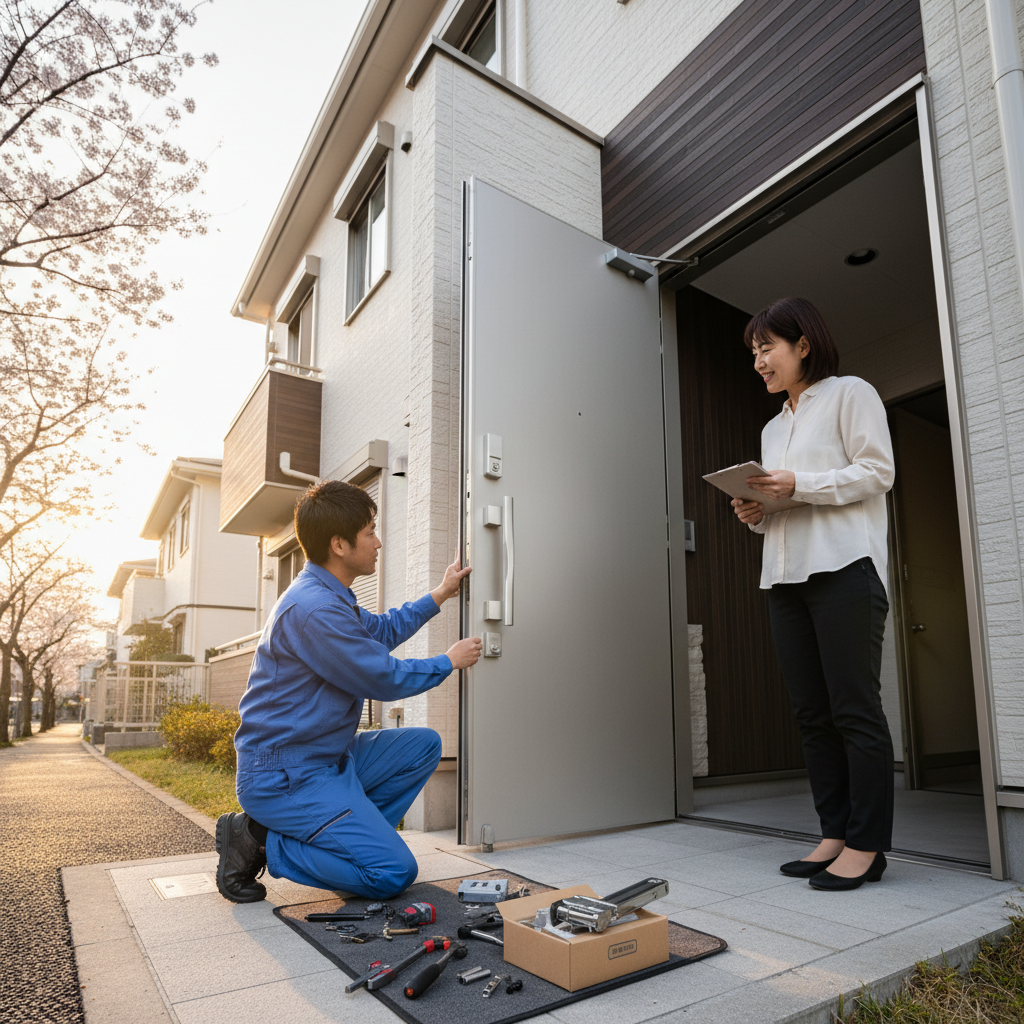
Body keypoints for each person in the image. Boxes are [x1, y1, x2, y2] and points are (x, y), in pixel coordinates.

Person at [214, 479, 482, 903]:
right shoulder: (314, 609)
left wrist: (441, 593)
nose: (378, 542)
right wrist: (448, 661)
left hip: (326, 759)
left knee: (424, 745)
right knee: (393, 872)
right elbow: (381, 677)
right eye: (370, 532)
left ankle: (352, 843)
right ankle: (258, 839)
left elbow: (382, 631)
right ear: (339, 545)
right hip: (286, 777)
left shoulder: (331, 596)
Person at [731, 297, 895, 892]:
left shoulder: (852, 393)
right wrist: (755, 511)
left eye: (766, 347)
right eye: (754, 353)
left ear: (803, 344)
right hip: (784, 576)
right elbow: (784, 503)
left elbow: (878, 472)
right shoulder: (775, 426)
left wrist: (800, 483)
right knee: (812, 714)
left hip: (844, 568)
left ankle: (868, 844)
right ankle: (834, 833)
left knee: (855, 708)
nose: (759, 362)